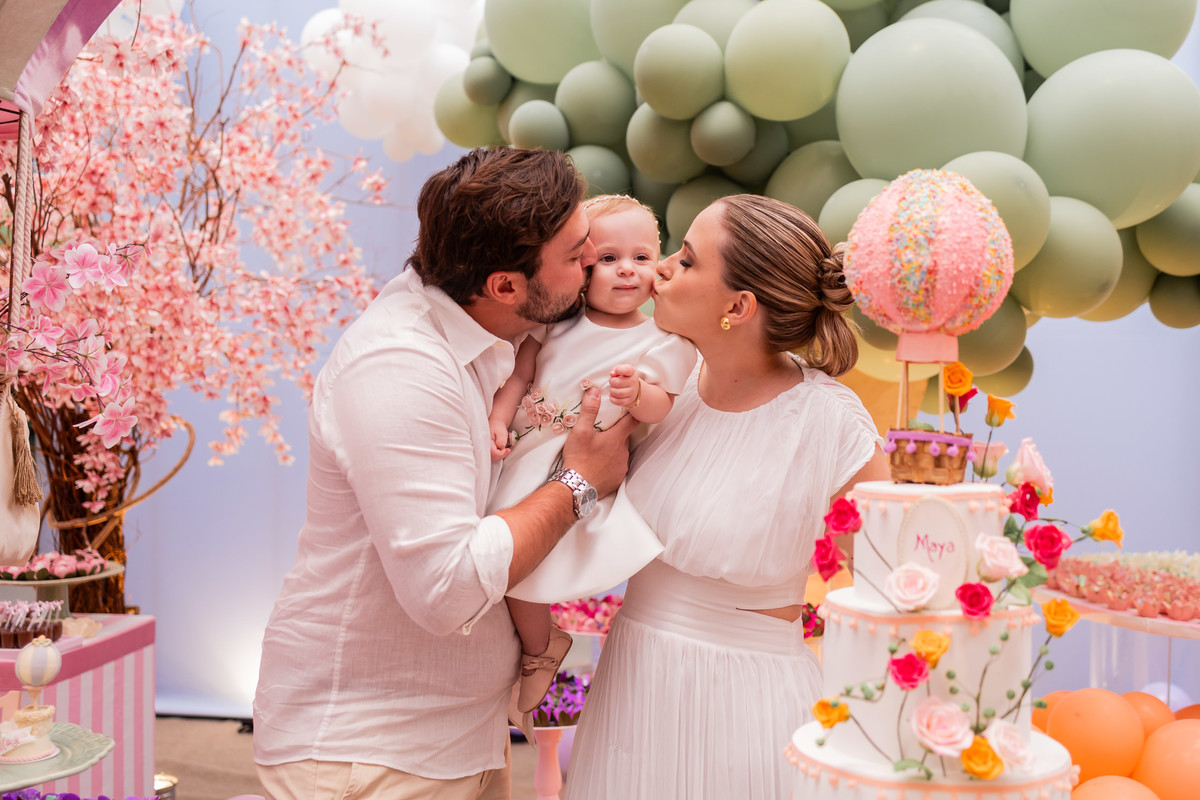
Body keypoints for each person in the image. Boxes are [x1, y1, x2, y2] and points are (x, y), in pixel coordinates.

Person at [252, 147, 638, 800]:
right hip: (372, 753)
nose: (594, 263)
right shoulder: (399, 365)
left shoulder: (504, 334)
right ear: (506, 286)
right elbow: (444, 589)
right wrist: (578, 482)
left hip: (458, 735)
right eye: (577, 256)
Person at [563, 194, 891, 799]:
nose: (660, 267)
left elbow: (895, 588)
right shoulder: (660, 386)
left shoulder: (830, 422)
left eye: (686, 261)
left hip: (747, 707)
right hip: (632, 687)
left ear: (738, 306)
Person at [486, 195, 696, 713]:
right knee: (509, 556)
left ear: (658, 265)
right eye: (608, 259)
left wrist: (635, 395)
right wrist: (497, 417)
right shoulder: (556, 323)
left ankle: (538, 652)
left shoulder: (663, 339)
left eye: (642, 258)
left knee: (530, 560)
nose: (627, 270)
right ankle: (541, 646)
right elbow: (519, 376)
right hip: (531, 451)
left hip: (589, 464)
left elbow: (660, 406)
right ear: (582, 268)